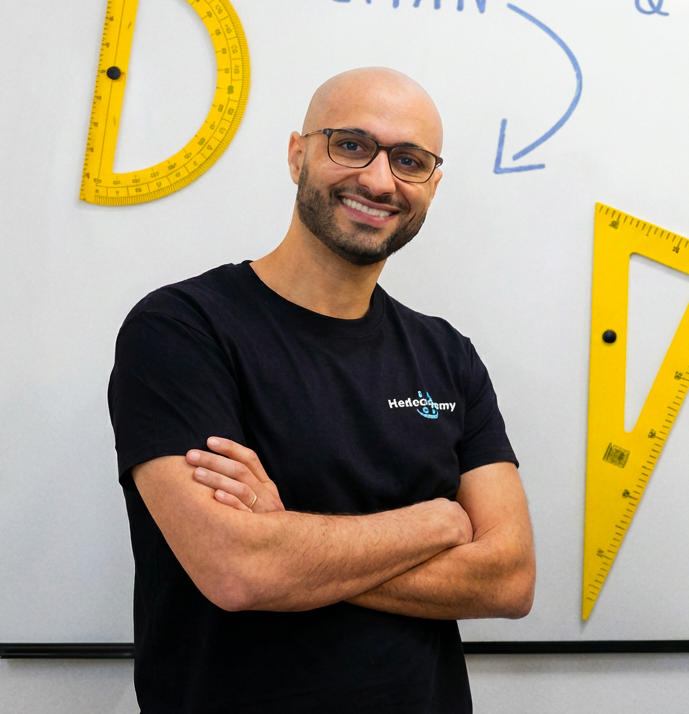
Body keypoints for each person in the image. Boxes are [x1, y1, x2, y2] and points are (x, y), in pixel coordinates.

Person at [109, 67, 535, 713]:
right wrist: (437, 521)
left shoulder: (449, 358)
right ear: (297, 155)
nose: (380, 181)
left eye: (409, 161)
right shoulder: (181, 331)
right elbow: (236, 570)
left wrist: (287, 544)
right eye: (351, 145)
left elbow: (509, 579)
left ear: (432, 184)